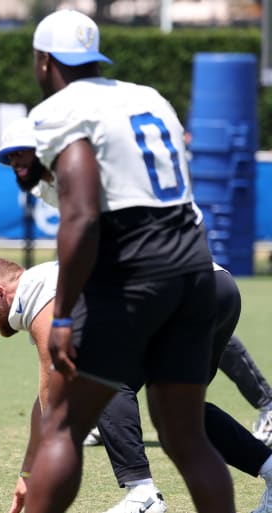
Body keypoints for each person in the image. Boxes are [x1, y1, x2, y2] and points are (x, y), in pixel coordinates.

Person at [24, 9, 233, 512]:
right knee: (185, 435)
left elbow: (82, 216)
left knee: (64, 427)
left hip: (135, 270)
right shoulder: (148, 96)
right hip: (196, 264)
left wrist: (66, 311)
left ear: (44, 60)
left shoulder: (60, 108)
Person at [0, 116, 272, 449]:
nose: (15, 163)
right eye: (9, 158)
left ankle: (264, 407)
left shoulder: (88, 167)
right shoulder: (46, 184)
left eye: (20, 154)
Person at [0, 258, 272, 513]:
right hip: (218, 286)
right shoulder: (47, 283)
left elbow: (52, 382)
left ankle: (142, 494)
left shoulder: (33, 290)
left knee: (105, 383)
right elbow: (46, 401)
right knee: (181, 413)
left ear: (1, 293)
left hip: (183, 294)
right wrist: (27, 473)